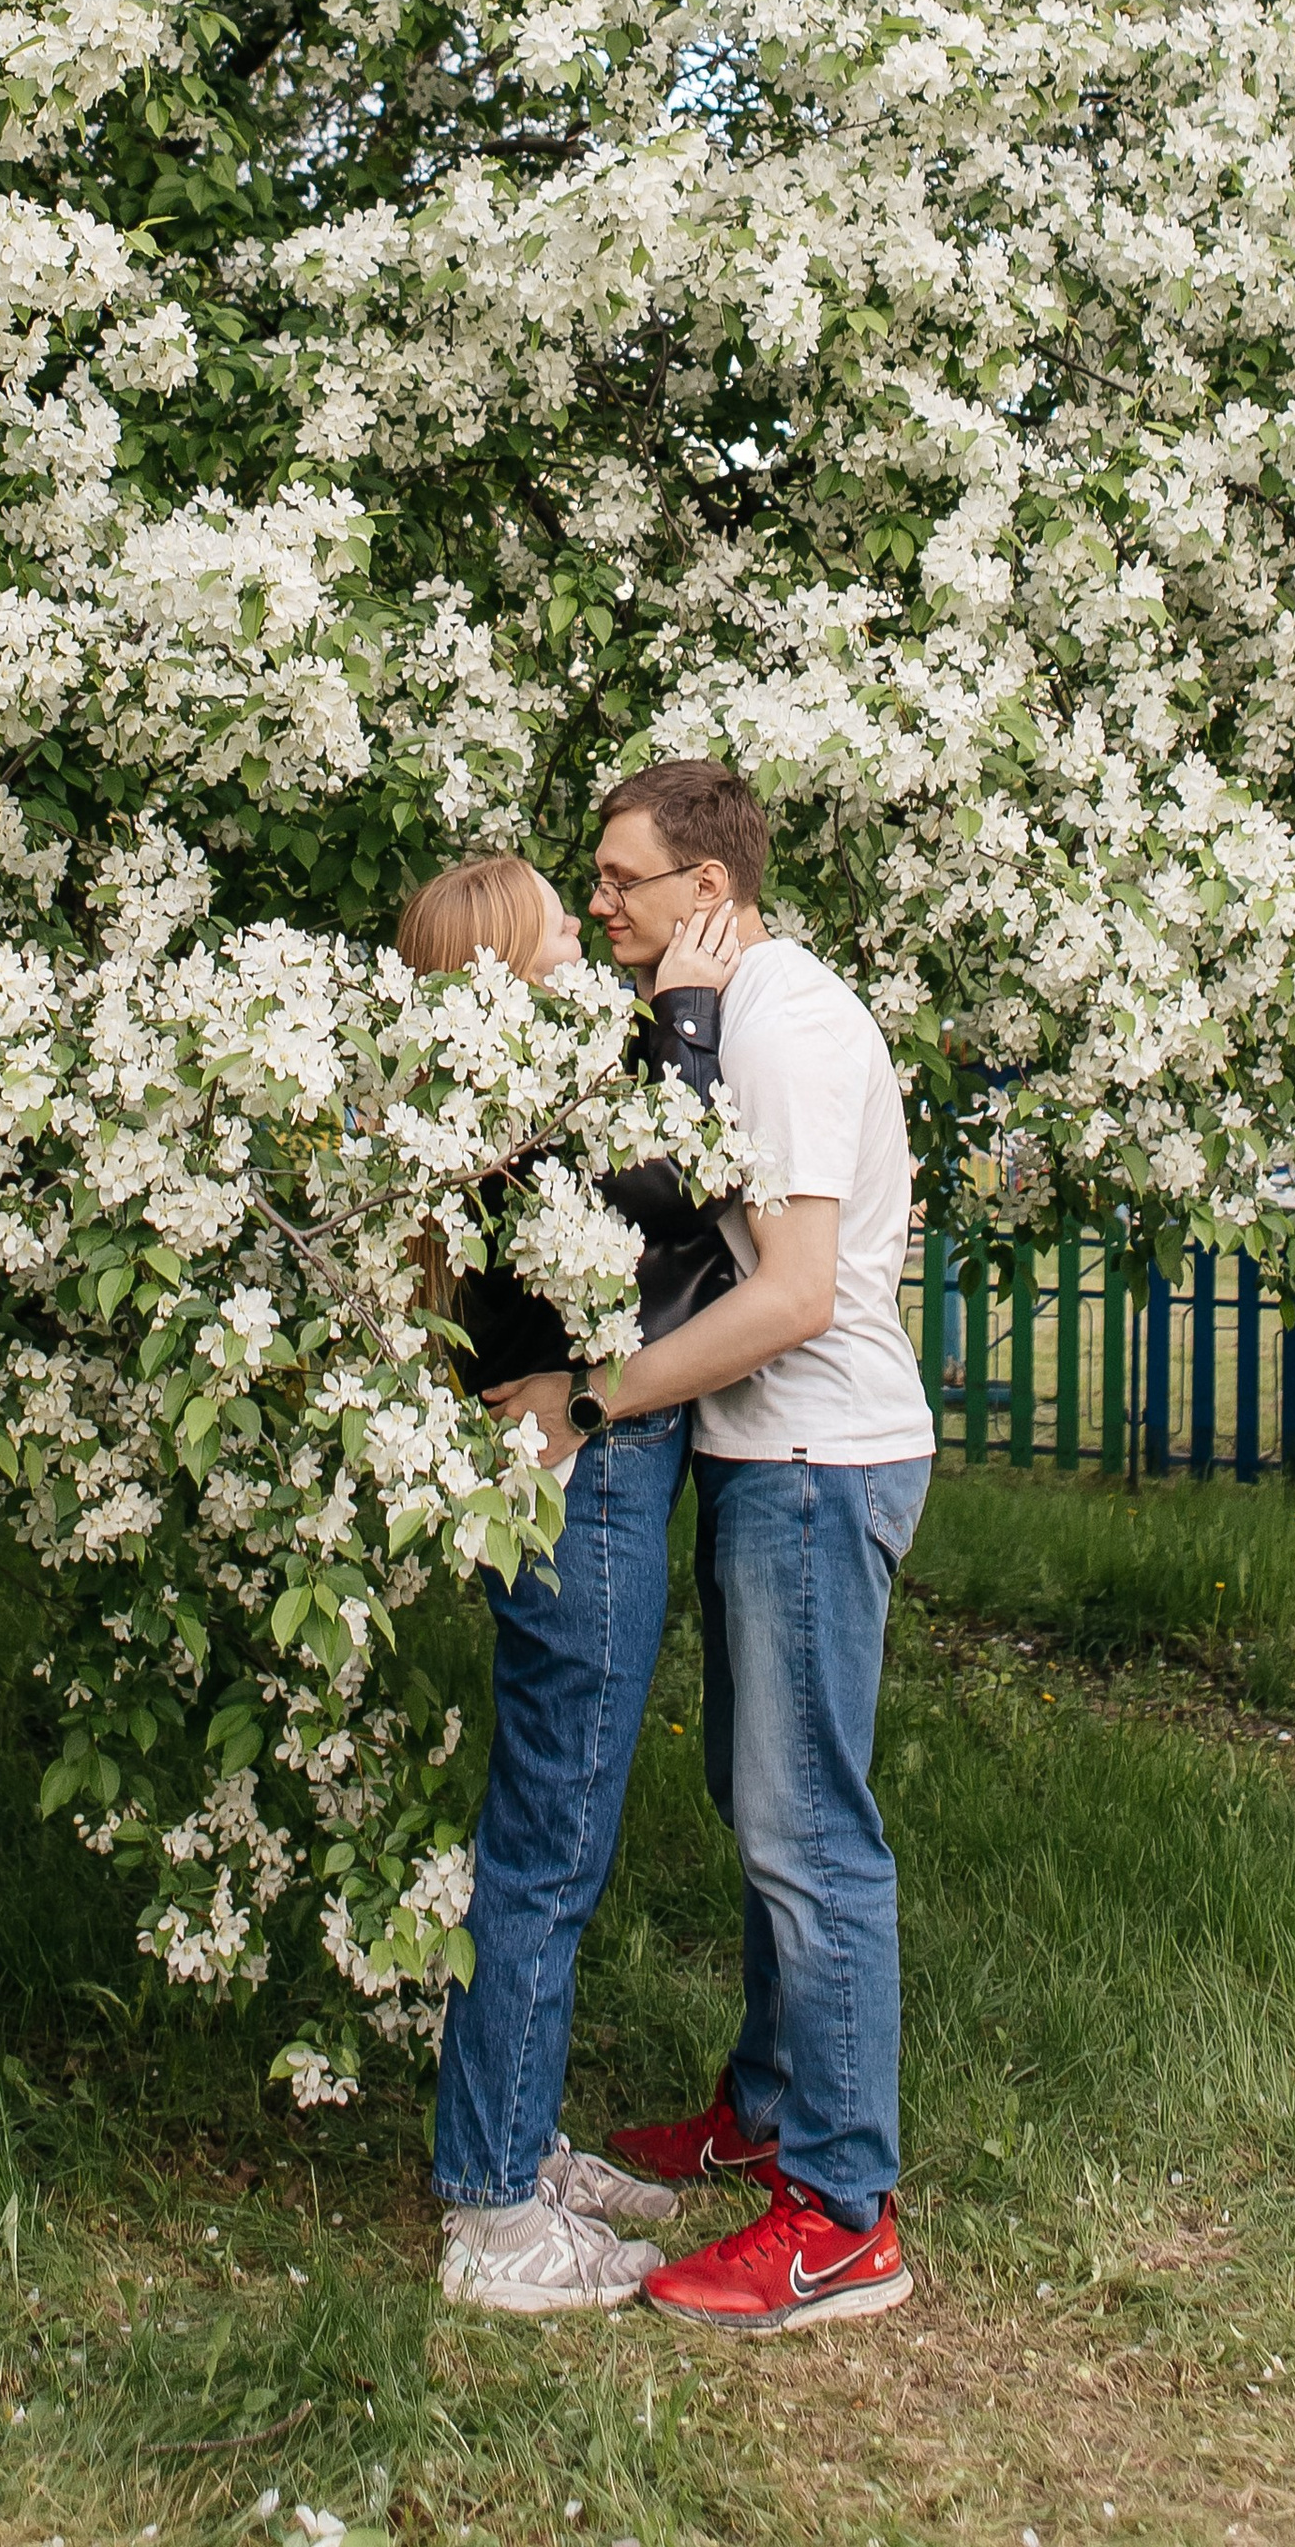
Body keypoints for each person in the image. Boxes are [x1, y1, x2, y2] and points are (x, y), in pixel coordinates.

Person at [483, 760, 935, 2334]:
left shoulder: (787, 1021)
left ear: (710, 893)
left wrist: (591, 1400)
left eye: (623, 879)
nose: (599, 901)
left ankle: (839, 2216)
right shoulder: (721, 1015)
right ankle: (767, 2108)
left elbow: (798, 1294)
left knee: (811, 1833)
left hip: (820, 1462)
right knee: (757, 1807)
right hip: (770, 1460)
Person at [395, 849, 743, 2316]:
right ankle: (490, 2209)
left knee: (556, 1823)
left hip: (592, 1486)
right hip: (579, 1493)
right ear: (501, 964)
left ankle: (518, 2147)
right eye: (556, 920)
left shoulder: (524, 1090)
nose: (583, 936)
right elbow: (672, 1182)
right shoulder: (520, 1099)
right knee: (549, 1836)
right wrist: (693, 1013)